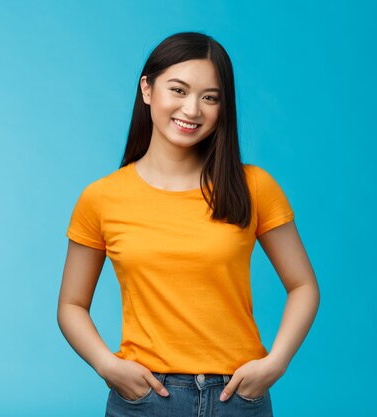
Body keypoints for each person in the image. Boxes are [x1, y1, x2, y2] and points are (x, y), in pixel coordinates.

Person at [57, 31, 320, 417]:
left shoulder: (254, 187)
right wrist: (106, 365)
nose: (192, 109)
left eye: (210, 97)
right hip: (146, 397)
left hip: (237, 397)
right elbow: (71, 305)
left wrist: (275, 363)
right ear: (147, 89)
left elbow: (303, 286)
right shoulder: (102, 198)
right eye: (178, 90)